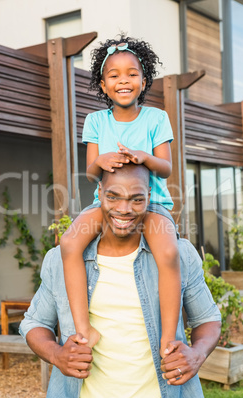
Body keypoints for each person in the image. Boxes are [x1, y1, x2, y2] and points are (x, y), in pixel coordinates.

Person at [19, 163, 221, 398]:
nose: (123, 210)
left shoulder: (180, 254)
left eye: (136, 200)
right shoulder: (60, 259)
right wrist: (57, 354)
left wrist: (196, 354)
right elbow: (35, 323)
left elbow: (208, 320)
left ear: (149, 197)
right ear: (100, 192)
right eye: (113, 197)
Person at [60, 36, 181, 357]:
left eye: (131, 74)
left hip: (151, 205)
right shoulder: (96, 121)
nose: (123, 80)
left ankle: (168, 338)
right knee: (70, 244)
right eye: (114, 75)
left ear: (144, 81)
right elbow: (90, 172)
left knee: (168, 253)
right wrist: (99, 162)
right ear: (103, 83)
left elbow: (166, 168)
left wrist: (144, 157)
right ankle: (83, 327)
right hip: (107, 205)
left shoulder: (156, 118)